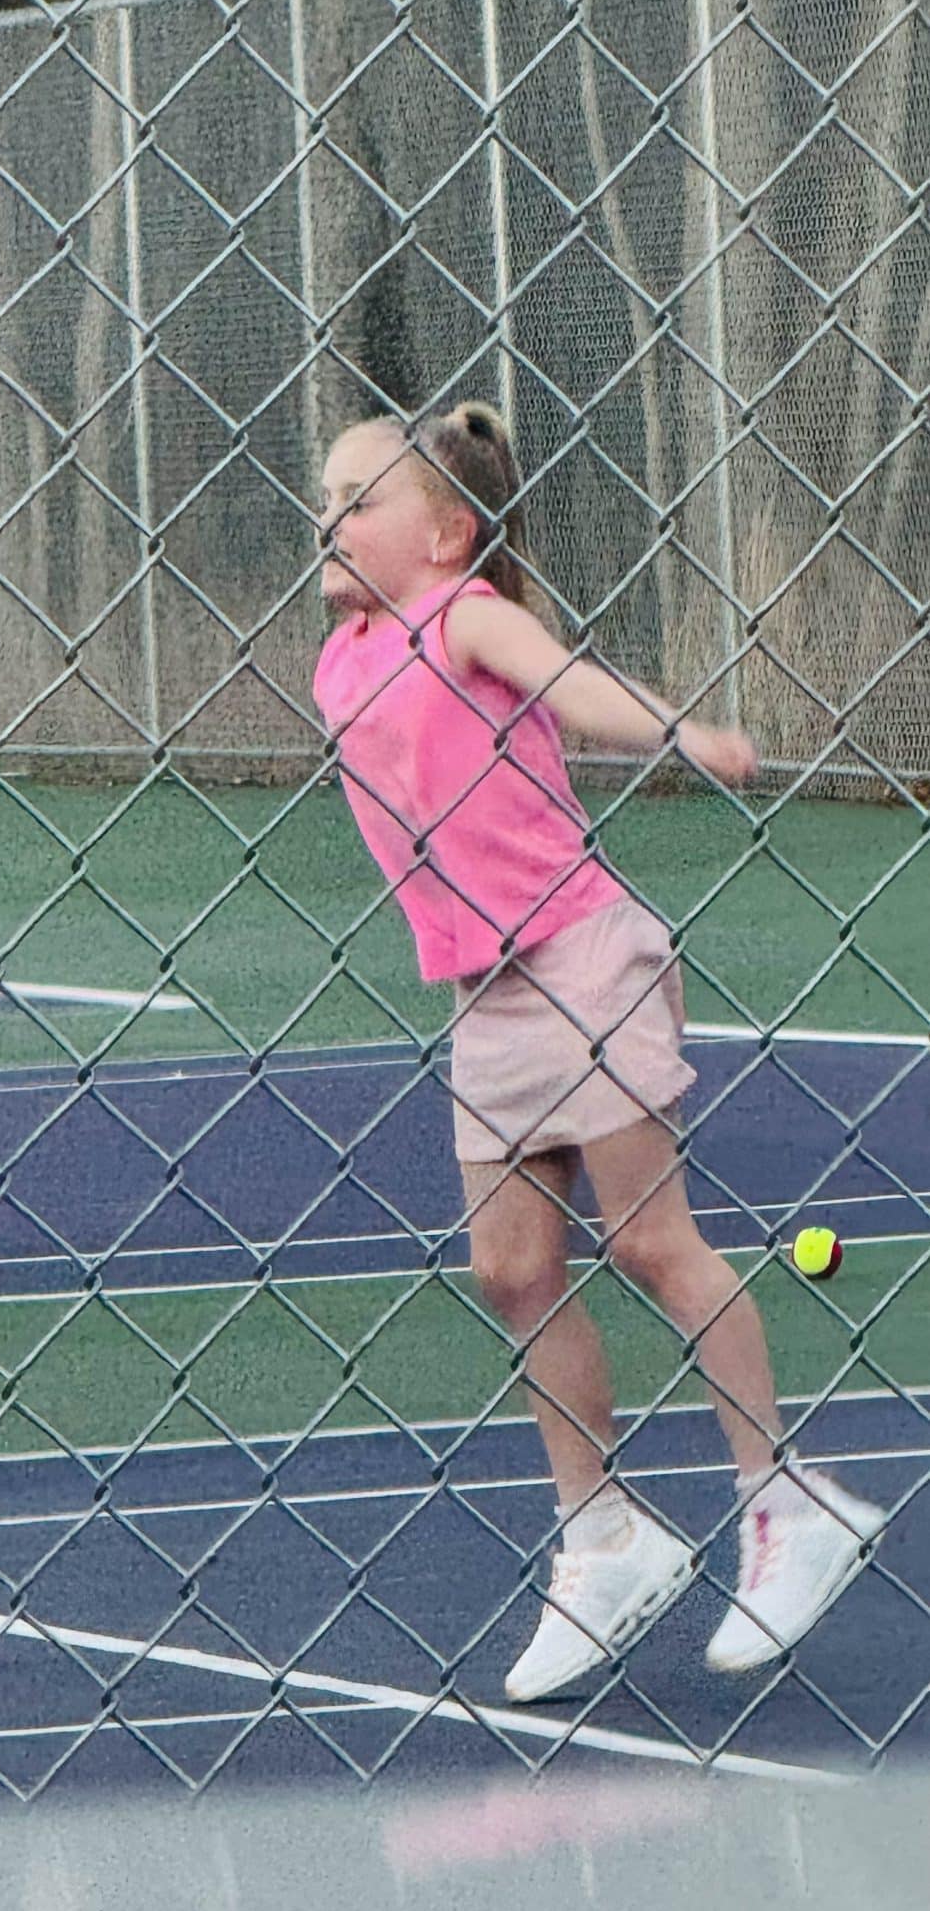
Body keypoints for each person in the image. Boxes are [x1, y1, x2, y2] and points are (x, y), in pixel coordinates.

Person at [312, 402, 884, 1702]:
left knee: (648, 1241)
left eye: (360, 500)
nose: (329, 520)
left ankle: (784, 1502)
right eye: (326, 498)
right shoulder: (339, 659)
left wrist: (681, 734)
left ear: (446, 534)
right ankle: (605, 1536)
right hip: (486, 998)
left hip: (582, 957)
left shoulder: (463, 616)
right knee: (511, 1270)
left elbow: (569, 680)